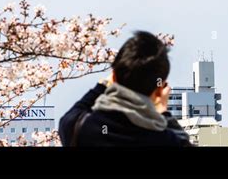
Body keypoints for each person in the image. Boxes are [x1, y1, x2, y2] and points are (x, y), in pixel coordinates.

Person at [59, 31, 192, 147]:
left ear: (114, 76)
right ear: (159, 90)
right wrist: (163, 112)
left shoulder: (79, 128)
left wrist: (103, 85)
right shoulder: (165, 141)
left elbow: (73, 114)